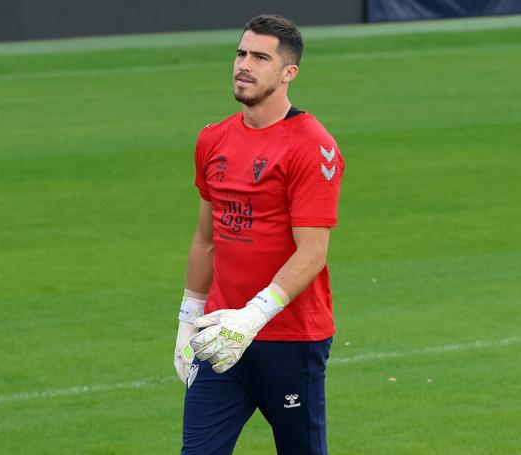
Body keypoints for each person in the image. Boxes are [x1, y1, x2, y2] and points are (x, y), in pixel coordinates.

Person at [174, 14, 345, 455]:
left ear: (289, 73)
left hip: (289, 340)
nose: (243, 65)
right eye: (241, 53)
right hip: (220, 336)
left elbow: (313, 253)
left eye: (259, 57)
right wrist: (188, 317)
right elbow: (205, 239)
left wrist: (251, 317)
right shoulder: (212, 139)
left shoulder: (312, 146)